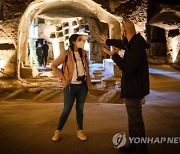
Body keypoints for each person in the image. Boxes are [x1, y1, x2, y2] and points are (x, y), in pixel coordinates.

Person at [101, 20, 150, 154]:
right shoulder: (133, 42)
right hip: (133, 87)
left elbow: (128, 68)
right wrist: (109, 42)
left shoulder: (136, 47)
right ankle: (134, 145)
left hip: (134, 88)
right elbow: (122, 44)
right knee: (132, 119)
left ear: (124, 31)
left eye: (122, 30)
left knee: (136, 120)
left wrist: (114, 56)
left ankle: (141, 149)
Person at [51, 34, 91, 141]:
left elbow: (86, 68)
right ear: (73, 41)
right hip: (70, 86)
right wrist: (63, 79)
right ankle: (58, 131)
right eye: (79, 39)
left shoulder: (83, 53)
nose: (81, 41)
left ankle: (80, 131)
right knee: (67, 109)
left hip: (82, 86)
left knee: (80, 109)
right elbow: (53, 65)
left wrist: (88, 81)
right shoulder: (66, 53)